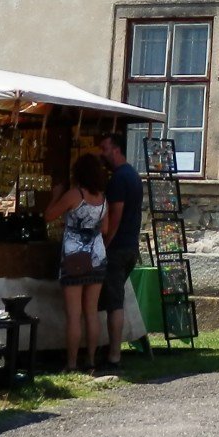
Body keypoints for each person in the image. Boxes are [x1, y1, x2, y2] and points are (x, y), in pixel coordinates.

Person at [44, 153, 111, 373]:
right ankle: (91, 360)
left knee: (74, 314)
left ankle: (71, 363)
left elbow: (49, 216)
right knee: (91, 312)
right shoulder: (102, 199)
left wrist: (55, 196)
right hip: (97, 256)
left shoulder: (75, 194)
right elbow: (105, 229)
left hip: (74, 256)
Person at [96, 131, 142, 370]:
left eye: (104, 148)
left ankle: (114, 354)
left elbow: (116, 214)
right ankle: (111, 349)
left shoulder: (118, 179)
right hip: (130, 245)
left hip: (117, 246)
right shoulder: (132, 175)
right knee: (115, 299)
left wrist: (105, 243)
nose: (102, 154)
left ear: (116, 149)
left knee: (114, 302)